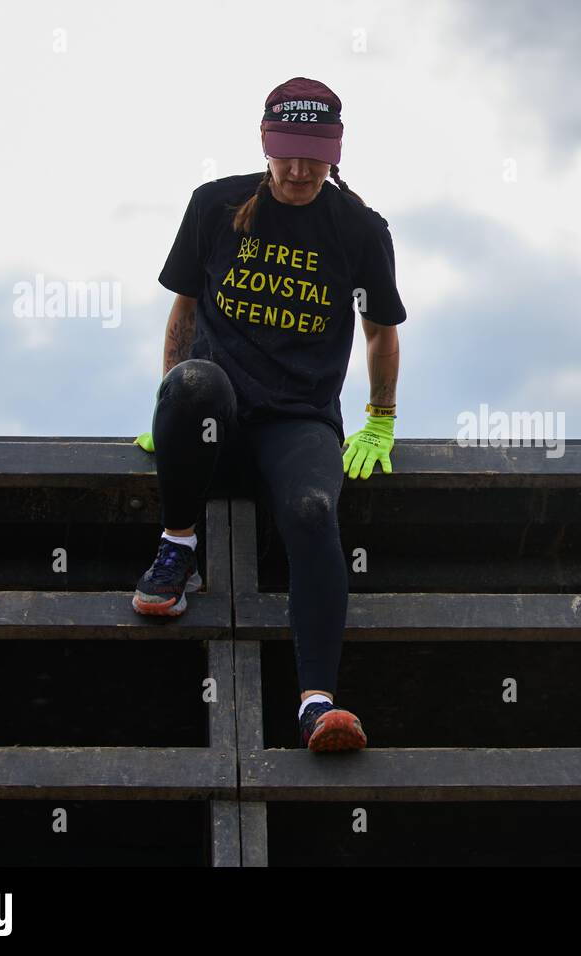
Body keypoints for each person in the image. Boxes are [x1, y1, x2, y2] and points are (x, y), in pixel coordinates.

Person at [129, 77, 406, 753]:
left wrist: (380, 418)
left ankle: (317, 705)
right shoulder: (215, 205)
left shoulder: (359, 230)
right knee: (196, 385)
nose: (300, 168)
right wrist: (170, 404)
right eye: (287, 151)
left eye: (314, 152)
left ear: (336, 150)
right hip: (215, 417)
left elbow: (379, 330)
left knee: (314, 509)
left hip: (298, 420)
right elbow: (185, 308)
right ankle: (178, 550)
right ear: (265, 142)